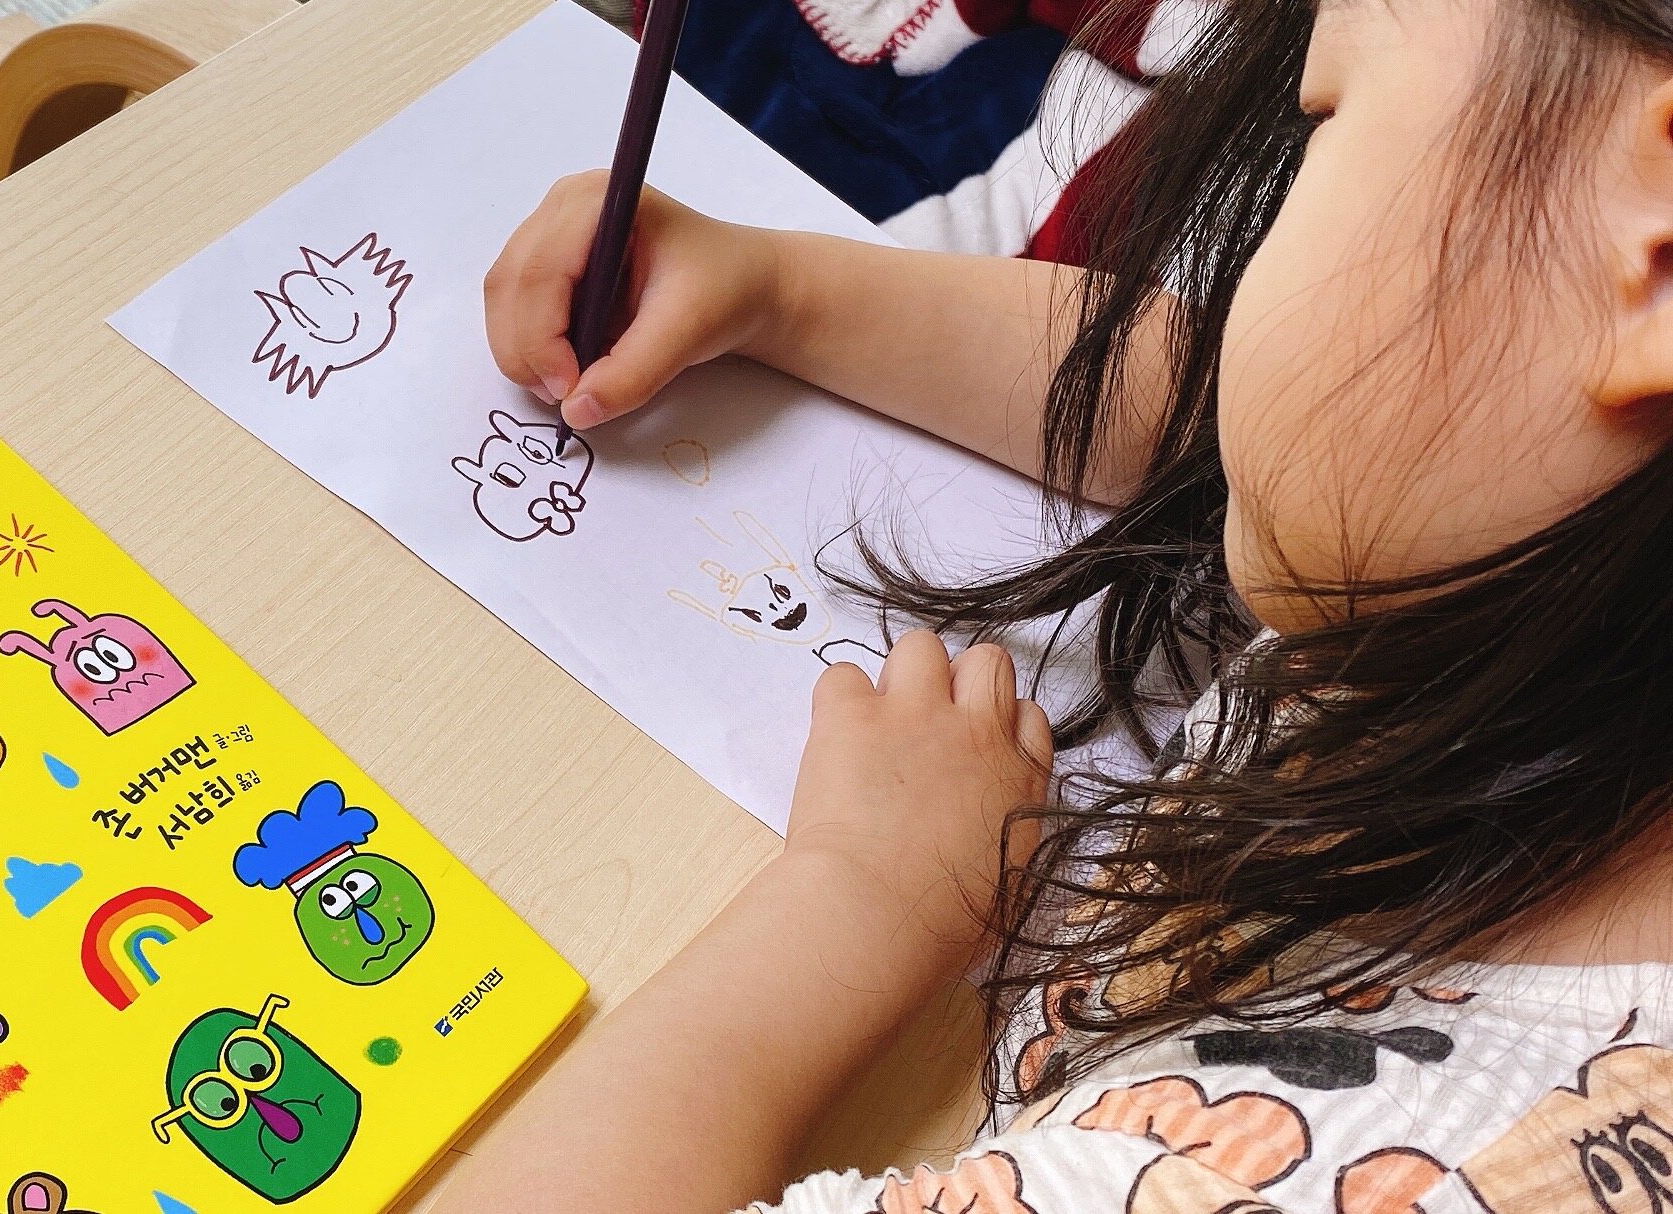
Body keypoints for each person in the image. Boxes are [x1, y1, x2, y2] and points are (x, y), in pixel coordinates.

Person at [438, 0, 1673, 1209]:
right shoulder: (1544, 548)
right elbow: (1203, 397)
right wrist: (783, 289)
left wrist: (860, 897)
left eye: (1324, 123)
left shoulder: (1266, 1172)